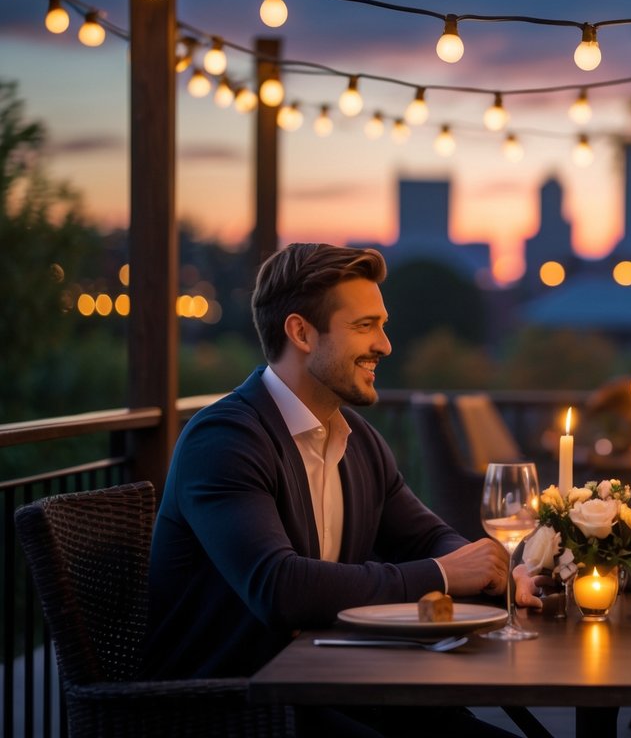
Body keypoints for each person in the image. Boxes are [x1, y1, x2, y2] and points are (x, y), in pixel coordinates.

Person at [144, 243, 533, 735]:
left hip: (341, 683)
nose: (385, 345)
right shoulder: (223, 440)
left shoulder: (357, 439)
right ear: (301, 332)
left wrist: (491, 572)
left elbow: (425, 537)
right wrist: (444, 573)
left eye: (382, 325)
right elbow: (280, 589)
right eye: (364, 325)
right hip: (237, 707)